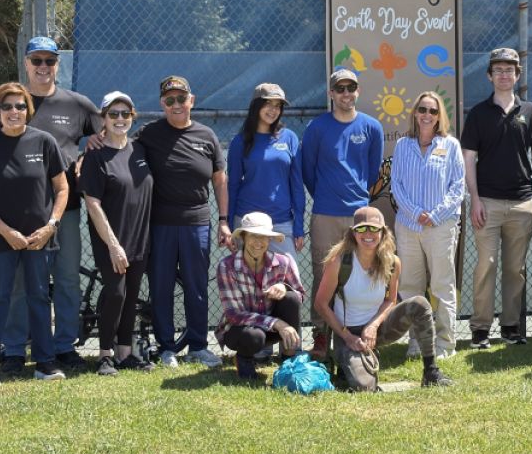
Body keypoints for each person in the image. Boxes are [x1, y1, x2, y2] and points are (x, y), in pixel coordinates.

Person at [0, 36, 102, 374]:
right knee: (17, 285)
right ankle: (15, 349)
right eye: (37, 61)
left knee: (65, 280)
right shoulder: (8, 101)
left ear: (58, 64)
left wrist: (88, 158)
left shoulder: (77, 103)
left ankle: (64, 346)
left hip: (64, 210)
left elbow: (112, 135)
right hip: (15, 216)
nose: (43, 67)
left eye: (50, 61)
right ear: (26, 64)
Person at [0, 82, 69, 388]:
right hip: (2, 241)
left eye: (20, 106)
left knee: (39, 297)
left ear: (29, 109)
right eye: (7, 107)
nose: (15, 112)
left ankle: (45, 363)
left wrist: (51, 225)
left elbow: (62, 188)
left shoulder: (44, 142)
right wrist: (5, 231)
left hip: (40, 238)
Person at [135, 75, 229, 368]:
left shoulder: (207, 136)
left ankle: (198, 346)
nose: (176, 104)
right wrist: (92, 148)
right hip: (160, 224)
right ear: (163, 104)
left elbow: (220, 181)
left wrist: (224, 220)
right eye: (169, 100)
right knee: (161, 287)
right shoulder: (148, 134)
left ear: (192, 100)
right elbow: (117, 143)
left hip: (198, 223)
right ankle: (166, 348)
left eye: (181, 98)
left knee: (196, 286)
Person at [461, 48, 532, 349]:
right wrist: (475, 198)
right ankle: (480, 329)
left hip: (522, 203)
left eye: (510, 69)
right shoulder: (479, 114)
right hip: (488, 202)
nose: (504, 74)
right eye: (498, 69)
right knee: (486, 264)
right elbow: (468, 158)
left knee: (515, 268)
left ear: (518, 75)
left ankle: (511, 327)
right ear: (489, 75)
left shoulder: (531, 112)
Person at [312, 207, 452, 389]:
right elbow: (320, 304)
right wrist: (347, 337)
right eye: (362, 229)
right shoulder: (339, 262)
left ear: (383, 232)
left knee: (420, 304)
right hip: (347, 334)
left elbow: (391, 301)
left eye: (374, 228)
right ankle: (349, 366)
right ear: (353, 233)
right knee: (365, 387)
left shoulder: (393, 262)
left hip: (377, 330)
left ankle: (431, 371)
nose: (368, 234)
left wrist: (373, 325)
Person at [300, 69, 383, 360]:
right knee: (324, 275)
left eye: (351, 88)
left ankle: (361, 333)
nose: (346, 94)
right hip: (325, 213)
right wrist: (325, 195)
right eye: (341, 89)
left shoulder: (372, 127)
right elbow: (307, 171)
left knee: (361, 274)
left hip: (359, 217)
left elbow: (372, 172)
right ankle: (321, 335)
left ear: (358, 91)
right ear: (331, 94)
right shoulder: (317, 127)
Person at [79, 91, 156, 376]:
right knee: (115, 293)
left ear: (132, 117)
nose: (120, 119)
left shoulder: (139, 150)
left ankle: (125, 352)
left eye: (125, 114)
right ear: (103, 118)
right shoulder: (95, 156)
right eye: (113, 114)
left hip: (140, 236)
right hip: (110, 239)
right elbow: (92, 203)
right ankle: (105, 355)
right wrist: (113, 245)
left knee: (131, 293)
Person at [390, 91, 465, 359]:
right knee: (410, 287)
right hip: (408, 227)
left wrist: (433, 215)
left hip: (441, 227)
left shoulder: (451, 145)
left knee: (442, 286)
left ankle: (445, 344)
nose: (427, 115)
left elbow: (458, 187)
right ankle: (416, 343)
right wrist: (416, 213)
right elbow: (395, 184)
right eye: (422, 109)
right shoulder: (402, 146)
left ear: (439, 116)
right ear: (415, 113)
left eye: (433, 111)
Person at [215, 212, 305, 380]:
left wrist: (285, 288)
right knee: (254, 336)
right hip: (240, 330)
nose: (258, 242)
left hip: (272, 327)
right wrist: (277, 323)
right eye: (253, 236)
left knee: (291, 298)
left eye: (264, 237)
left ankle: (288, 360)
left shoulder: (284, 261)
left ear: (270, 239)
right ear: (243, 237)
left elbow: (300, 295)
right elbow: (234, 315)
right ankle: (244, 359)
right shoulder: (226, 266)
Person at [227, 83, 305, 259]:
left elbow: (297, 185)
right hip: (247, 223)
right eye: (268, 104)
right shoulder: (240, 141)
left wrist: (298, 225)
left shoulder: (290, 138)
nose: (273, 110)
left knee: (286, 283)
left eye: (278, 105)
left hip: (281, 222)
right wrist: (231, 226)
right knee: (248, 283)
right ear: (256, 106)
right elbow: (232, 186)